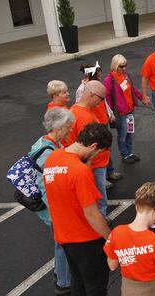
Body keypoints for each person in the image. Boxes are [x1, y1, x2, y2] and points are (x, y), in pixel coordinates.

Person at [43, 122, 113, 296]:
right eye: (98, 152)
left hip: (64, 236)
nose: (96, 157)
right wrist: (110, 239)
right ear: (94, 145)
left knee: (78, 282)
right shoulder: (80, 172)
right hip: (86, 238)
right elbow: (91, 214)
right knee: (96, 286)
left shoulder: (53, 158)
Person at [31, 108, 76, 295]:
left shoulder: (45, 143)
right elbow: (45, 188)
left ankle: (61, 276)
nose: (70, 131)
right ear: (57, 127)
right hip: (52, 210)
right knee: (62, 244)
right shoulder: (47, 153)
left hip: (52, 209)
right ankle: (63, 283)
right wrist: (59, 213)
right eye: (68, 127)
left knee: (61, 243)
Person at [66, 80, 114, 212]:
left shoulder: (77, 110)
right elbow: (86, 148)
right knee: (98, 197)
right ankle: (100, 221)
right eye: (101, 98)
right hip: (95, 165)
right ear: (92, 95)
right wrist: (87, 169)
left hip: (95, 164)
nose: (101, 102)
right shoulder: (84, 117)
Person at [104, 54, 149, 165]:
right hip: (120, 113)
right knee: (122, 134)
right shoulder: (109, 80)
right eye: (121, 66)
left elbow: (132, 89)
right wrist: (110, 113)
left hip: (130, 110)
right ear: (115, 66)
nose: (124, 68)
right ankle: (124, 154)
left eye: (125, 66)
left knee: (129, 132)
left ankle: (130, 152)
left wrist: (141, 97)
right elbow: (107, 98)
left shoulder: (126, 75)